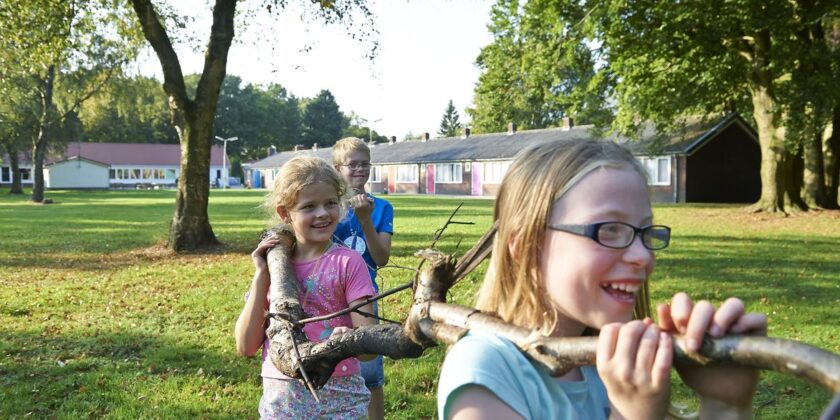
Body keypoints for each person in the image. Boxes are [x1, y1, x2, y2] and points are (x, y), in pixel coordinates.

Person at [437, 139, 767, 419]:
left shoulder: (604, 365)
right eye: (610, 229)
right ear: (526, 247)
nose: (643, 256)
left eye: (644, 232)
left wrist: (725, 405)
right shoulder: (485, 372)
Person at [234, 155, 376, 419]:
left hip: (341, 403)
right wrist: (261, 275)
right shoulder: (276, 267)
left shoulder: (348, 263)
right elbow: (246, 346)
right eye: (309, 206)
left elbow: (368, 351)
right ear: (284, 213)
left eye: (330, 203)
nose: (322, 213)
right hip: (282, 405)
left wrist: (347, 341)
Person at [331, 137, 394, 420]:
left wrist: (365, 219)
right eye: (352, 164)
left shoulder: (382, 208)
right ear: (336, 168)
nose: (359, 169)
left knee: (369, 374)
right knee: (330, 367)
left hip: (365, 296)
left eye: (365, 164)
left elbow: (381, 258)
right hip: (328, 296)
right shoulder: (329, 207)